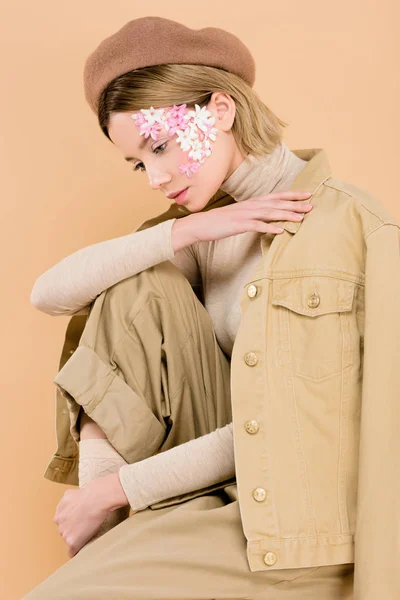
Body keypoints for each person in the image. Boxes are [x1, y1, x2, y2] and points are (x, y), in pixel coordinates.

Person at [24, 16, 400, 600]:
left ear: (221, 110)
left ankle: (106, 532)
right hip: (206, 505)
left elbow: (364, 435)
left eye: (161, 147)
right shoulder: (199, 235)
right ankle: (104, 549)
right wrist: (188, 231)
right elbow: (48, 294)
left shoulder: (358, 228)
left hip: (297, 535)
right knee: (132, 282)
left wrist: (112, 489)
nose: (154, 178)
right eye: (138, 163)